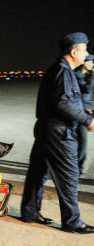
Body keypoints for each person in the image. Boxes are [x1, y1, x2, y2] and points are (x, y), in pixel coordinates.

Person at [20, 32, 94, 234]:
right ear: (74, 52)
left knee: (38, 172)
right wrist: (88, 120)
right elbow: (62, 103)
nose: (87, 53)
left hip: (47, 130)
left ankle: (30, 212)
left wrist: (82, 111)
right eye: (84, 49)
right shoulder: (63, 72)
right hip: (59, 133)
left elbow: (62, 101)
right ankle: (72, 222)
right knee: (69, 175)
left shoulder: (58, 70)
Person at [74, 54, 94, 174]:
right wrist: (92, 76)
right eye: (91, 63)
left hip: (85, 111)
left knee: (82, 140)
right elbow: (86, 89)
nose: (93, 65)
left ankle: (79, 167)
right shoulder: (76, 75)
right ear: (85, 63)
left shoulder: (85, 74)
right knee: (80, 140)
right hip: (76, 112)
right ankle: (77, 167)